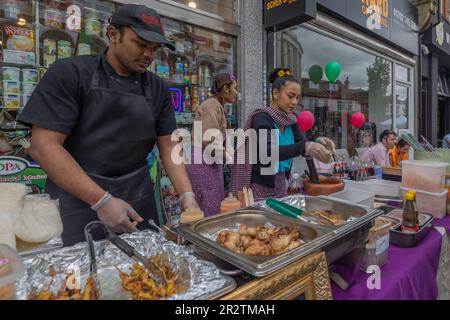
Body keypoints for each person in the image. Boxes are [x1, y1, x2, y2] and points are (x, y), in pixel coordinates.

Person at [18, 5, 198, 246]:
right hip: (77, 199)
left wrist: (187, 195)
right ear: (113, 34)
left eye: (154, 49)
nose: (148, 54)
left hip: (138, 197)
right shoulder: (70, 73)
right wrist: (102, 200)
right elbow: (43, 145)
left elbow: (168, 146)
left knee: (148, 273)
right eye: (141, 44)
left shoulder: (159, 89)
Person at [229, 68, 333, 199]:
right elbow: (267, 152)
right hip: (262, 185)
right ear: (276, 93)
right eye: (290, 96)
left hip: (282, 182)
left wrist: (318, 143)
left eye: (297, 97)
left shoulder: (291, 119)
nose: (295, 102)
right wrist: (306, 146)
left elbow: (301, 144)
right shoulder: (262, 118)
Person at [187, 74, 238, 216]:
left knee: (214, 205)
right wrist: (230, 159)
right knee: (209, 209)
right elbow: (210, 139)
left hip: (210, 163)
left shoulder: (218, 106)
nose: (236, 92)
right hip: (204, 164)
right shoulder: (211, 105)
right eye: (235, 88)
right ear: (226, 89)